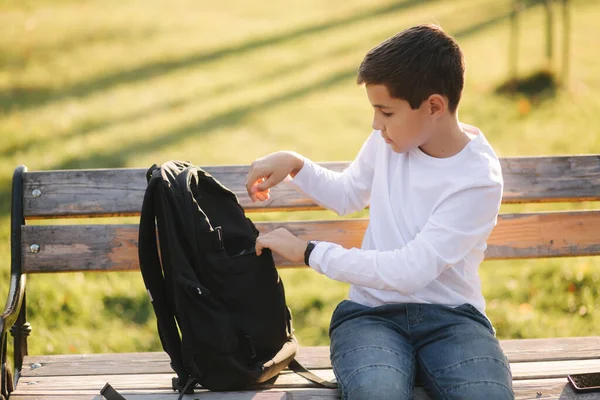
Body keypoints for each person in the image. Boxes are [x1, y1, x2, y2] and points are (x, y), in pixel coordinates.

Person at [244, 24, 514, 399]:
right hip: (371, 317)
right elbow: (347, 193)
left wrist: (309, 252)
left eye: (385, 112)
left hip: (453, 321)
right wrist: (295, 164)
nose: (376, 124)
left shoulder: (477, 179)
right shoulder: (390, 141)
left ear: (434, 106)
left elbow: (410, 271)